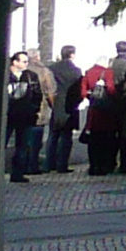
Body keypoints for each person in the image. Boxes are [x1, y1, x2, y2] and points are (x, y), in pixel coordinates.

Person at [84, 46, 126, 177]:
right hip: (106, 112)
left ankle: (93, 166)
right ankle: (104, 166)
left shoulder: (88, 72)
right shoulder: (107, 73)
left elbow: (82, 91)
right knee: (106, 139)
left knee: (93, 141)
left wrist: (92, 98)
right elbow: (111, 89)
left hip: (93, 110)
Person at [2, 51, 44, 183]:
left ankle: (17, 173)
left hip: (25, 116)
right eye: (24, 61)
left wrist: (34, 110)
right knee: (1, 144)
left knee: (22, 146)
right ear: (15, 62)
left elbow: (38, 94)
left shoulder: (31, 76)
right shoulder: (5, 76)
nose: (27, 64)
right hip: (7, 116)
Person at [46, 46, 83, 174]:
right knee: (66, 137)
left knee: (53, 136)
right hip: (69, 105)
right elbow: (79, 91)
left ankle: (49, 164)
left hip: (55, 103)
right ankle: (62, 165)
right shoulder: (76, 71)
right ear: (72, 55)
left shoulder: (52, 68)